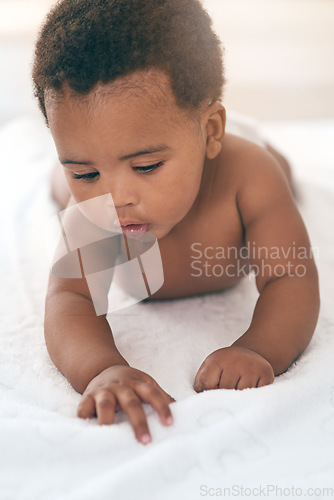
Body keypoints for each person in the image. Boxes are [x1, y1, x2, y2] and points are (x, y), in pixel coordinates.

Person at [32, 0, 319, 445]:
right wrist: (101, 368)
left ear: (209, 132)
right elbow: (69, 298)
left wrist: (257, 349)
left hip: (232, 153)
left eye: (145, 166)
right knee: (61, 192)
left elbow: (290, 278)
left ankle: (251, 137)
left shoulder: (250, 181)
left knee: (278, 165)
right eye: (85, 172)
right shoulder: (93, 211)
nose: (115, 197)